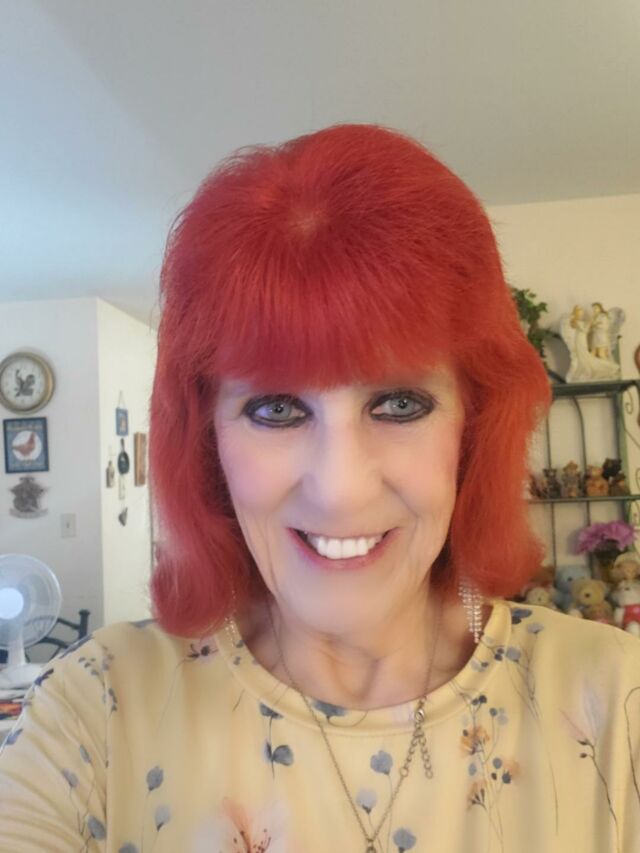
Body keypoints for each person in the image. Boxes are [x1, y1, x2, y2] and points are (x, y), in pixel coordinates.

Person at [1, 123, 639, 853]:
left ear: (474, 427)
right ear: (207, 441)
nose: (339, 490)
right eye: (276, 409)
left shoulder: (616, 705)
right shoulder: (96, 712)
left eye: (399, 403)